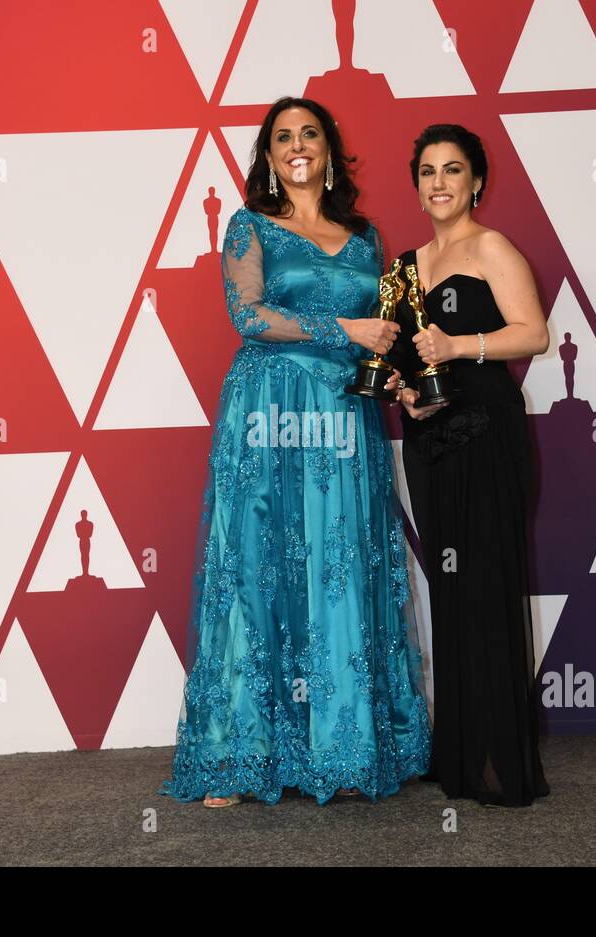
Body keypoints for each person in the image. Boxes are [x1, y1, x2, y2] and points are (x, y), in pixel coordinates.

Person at [159, 97, 431, 808]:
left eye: (310, 133)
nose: (298, 145)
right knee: (256, 566)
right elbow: (247, 315)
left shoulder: (364, 237)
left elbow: (379, 332)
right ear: (269, 157)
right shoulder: (250, 227)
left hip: (343, 415)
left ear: (330, 150)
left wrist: (392, 373)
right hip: (269, 412)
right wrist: (345, 326)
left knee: (339, 563)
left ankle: (342, 745)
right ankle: (237, 753)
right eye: (283, 137)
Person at [387, 124, 552, 807]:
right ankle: (456, 754)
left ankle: (498, 762)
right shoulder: (403, 266)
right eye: (427, 171)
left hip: (486, 434)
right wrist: (402, 393)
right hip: (430, 442)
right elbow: (398, 357)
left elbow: (534, 334)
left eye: (453, 170)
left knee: (485, 586)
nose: (439, 183)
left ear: (476, 180)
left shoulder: (492, 248)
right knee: (452, 594)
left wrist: (458, 344)